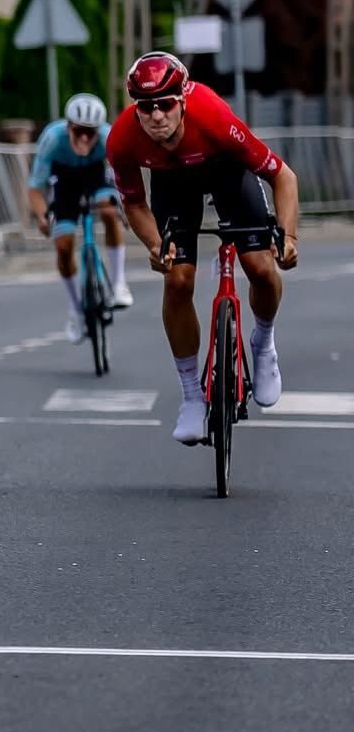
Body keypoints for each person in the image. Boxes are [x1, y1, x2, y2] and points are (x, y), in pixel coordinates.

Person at [107, 52, 300, 446]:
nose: (156, 115)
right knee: (177, 280)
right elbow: (134, 203)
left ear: (183, 99)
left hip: (226, 171)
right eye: (145, 106)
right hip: (172, 184)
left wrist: (288, 237)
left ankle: (263, 344)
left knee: (261, 269)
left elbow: (283, 175)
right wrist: (156, 244)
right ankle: (192, 396)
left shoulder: (212, 117)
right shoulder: (122, 138)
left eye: (165, 104)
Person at [27, 92, 133, 343]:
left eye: (90, 132)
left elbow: (126, 179)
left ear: (98, 131)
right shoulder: (52, 139)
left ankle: (119, 283)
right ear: (68, 127)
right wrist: (42, 216)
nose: (84, 137)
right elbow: (36, 187)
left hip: (96, 174)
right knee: (63, 246)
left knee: (108, 210)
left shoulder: (108, 137)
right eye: (79, 131)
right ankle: (75, 309)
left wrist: (128, 209)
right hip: (64, 180)